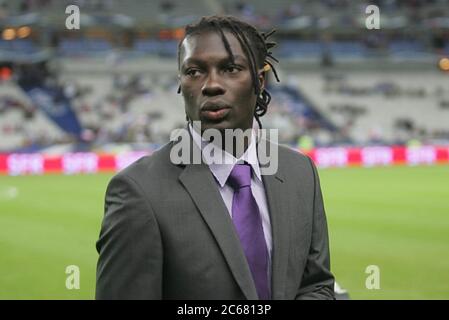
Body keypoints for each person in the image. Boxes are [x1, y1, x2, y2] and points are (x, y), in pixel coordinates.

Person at [95, 15, 334, 300]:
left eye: (230, 68)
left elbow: (316, 286)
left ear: (259, 81)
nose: (211, 85)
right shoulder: (138, 191)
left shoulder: (300, 173)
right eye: (194, 72)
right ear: (181, 83)